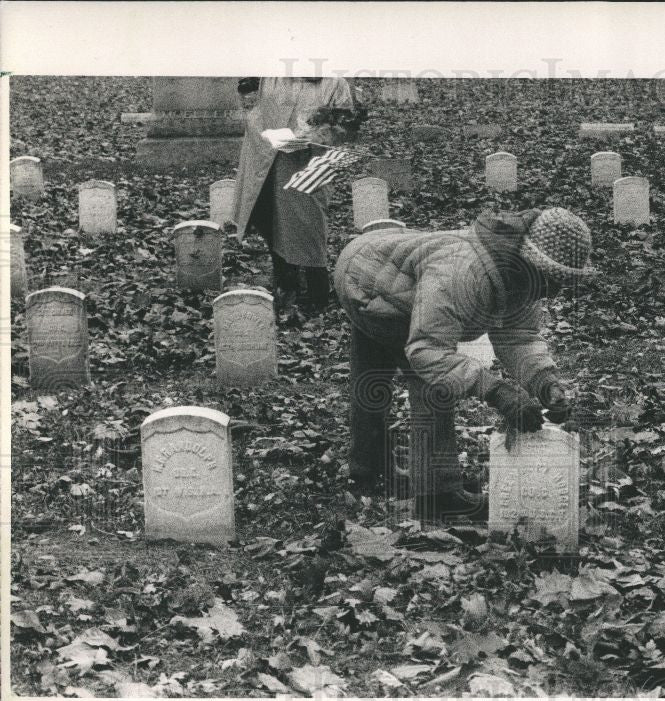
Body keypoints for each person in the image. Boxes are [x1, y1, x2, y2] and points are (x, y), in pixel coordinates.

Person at [333, 207, 593, 522]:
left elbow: (520, 338)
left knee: (381, 370)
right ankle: (437, 493)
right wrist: (496, 392)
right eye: (552, 278)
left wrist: (544, 383)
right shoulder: (461, 271)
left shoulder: (523, 279)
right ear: (529, 259)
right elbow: (427, 349)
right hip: (362, 276)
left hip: (388, 265)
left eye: (563, 281)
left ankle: (368, 469)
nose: (555, 290)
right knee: (431, 379)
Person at [233, 77, 366, 313]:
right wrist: (269, 134)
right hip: (270, 162)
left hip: (311, 164)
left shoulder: (334, 83)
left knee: (309, 223)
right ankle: (286, 281)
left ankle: (317, 290)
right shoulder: (274, 76)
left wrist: (312, 138)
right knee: (273, 218)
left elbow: (346, 126)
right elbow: (257, 112)